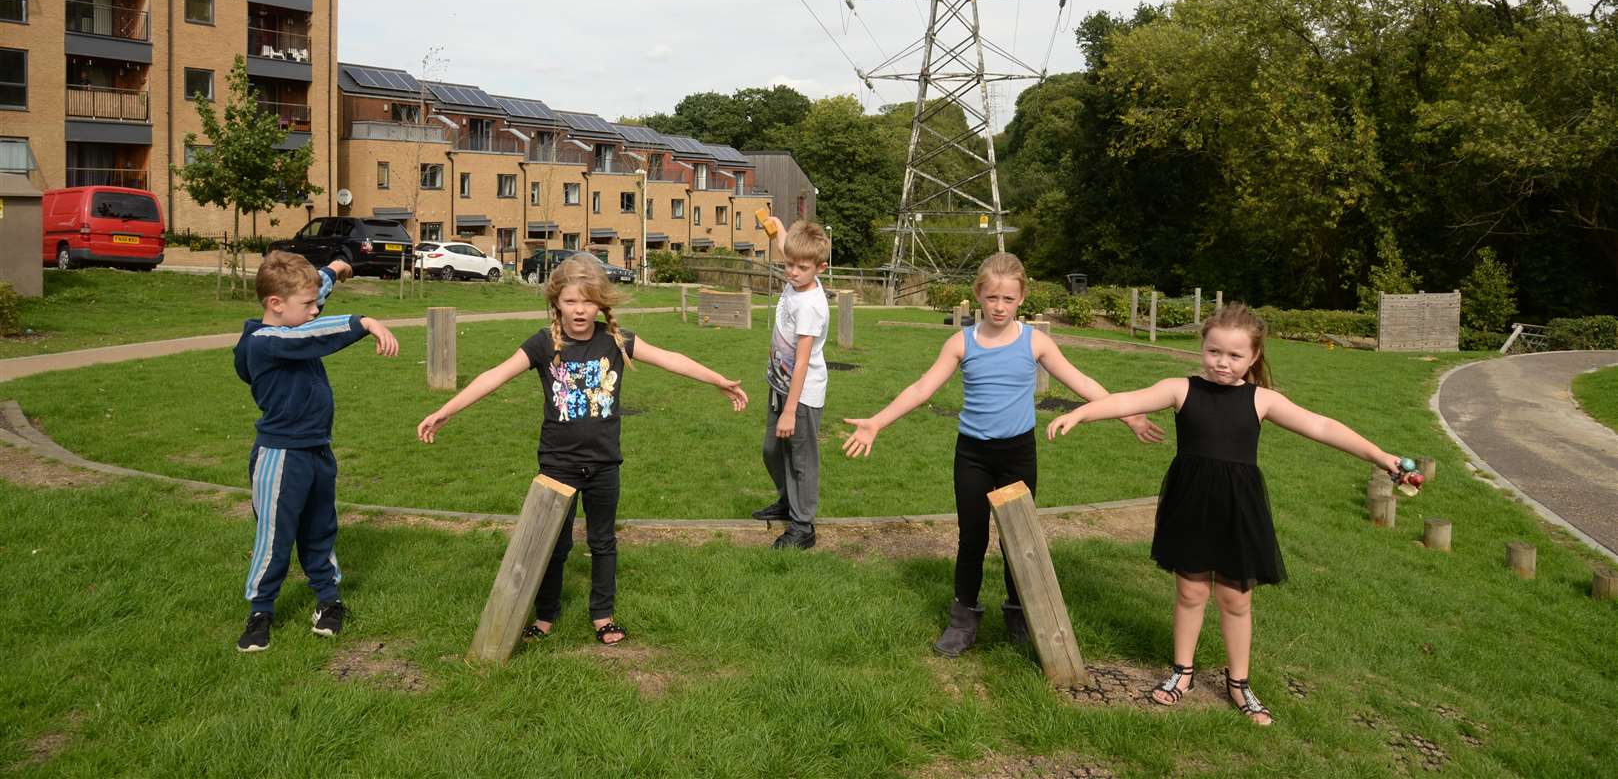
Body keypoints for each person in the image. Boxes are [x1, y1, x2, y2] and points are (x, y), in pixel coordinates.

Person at [1046, 302, 1406, 725]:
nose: (1222, 362)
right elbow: (1128, 399)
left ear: (1254, 357)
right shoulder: (1181, 389)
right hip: (1191, 502)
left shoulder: (1262, 400)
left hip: (1239, 509)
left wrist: (1380, 455)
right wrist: (1082, 413)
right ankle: (1182, 674)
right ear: (1202, 347)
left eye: (1235, 356)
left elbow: (1322, 426)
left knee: (1236, 599)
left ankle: (1239, 683)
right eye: (1214, 351)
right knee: (1191, 592)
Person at [416, 254, 747, 646]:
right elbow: (495, 375)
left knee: (603, 542)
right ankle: (545, 615)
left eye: (588, 302)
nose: (579, 310)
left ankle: (602, 615)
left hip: (605, 464)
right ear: (557, 301)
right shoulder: (543, 344)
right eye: (571, 301)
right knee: (553, 545)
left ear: (601, 304)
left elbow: (669, 359)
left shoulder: (615, 342)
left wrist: (716, 380)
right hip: (558, 464)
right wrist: (446, 411)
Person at [843, 253, 1163, 656]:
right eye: (992, 297)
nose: (999, 306)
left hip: (1017, 455)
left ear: (1021, 298)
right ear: (979, 294)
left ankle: (1019, 614)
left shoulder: (1036, 342)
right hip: (973, 456)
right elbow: (922, 389)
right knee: (972, 538)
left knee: (1019, 538)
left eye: (1008, 299)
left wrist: (1128, 415)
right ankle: (962, 620)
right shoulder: (962, 343)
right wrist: (877, 422)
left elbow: (1081, 380)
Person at [234, 253, 399, 653]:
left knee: (320, 528)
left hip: (317, 452)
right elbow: (308, 335)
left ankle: (328, 600)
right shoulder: (264, 341)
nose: (316, 311)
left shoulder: (291, 312)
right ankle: (261, 611)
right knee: (276, 535)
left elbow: (311, 294)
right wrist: (365, 322)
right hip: (280, 456)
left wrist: (335, 269)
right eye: (308, 306)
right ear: (275, 304)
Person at [752, 217, 831, 550]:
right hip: (780, 386)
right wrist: (777, 224)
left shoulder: (811, 305)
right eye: (789, 265)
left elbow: (801, 362)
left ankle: (803, 526)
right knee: (772, 451)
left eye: (801, 267)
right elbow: (786, 242)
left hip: (802, 394)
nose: (793, 272)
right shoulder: (795, 278)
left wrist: (790, 411)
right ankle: (788, 502)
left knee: (801, 460)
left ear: (820, 268)